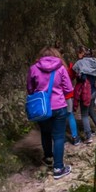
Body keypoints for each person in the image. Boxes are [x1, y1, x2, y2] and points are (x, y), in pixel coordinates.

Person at [26, 46, 73, 179]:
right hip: (59, 106)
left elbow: (30, 88)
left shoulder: (34, 68)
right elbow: (68, 88)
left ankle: (48, 158)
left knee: (45, 133)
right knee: (58, 136)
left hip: (42, 107)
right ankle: (58, 168)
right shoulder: (61, 68)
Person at [72, 46, 96, 144]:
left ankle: (88, 136)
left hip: (85, 92)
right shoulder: (95, 63)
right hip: (93, 91)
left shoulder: (80, 63)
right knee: (91, 111)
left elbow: (74, 69)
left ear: (83, 53)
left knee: (84, 114)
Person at [54, 41, 81, 146]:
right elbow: (70, 79)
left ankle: (61, 137)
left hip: (54, 97)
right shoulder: (64, 67)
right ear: (63, 55)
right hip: (66, 95)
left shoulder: (48, 67)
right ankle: (75, 137)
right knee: (69, 115)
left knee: (58, 117)